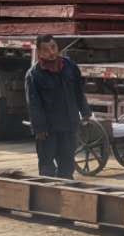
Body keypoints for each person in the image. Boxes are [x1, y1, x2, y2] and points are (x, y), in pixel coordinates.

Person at [25, 33, 92, 179]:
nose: (51, 52)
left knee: (67, 164)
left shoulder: (70, 67)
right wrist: (39, 129)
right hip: (48, 129)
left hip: (69, 125)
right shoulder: (34, 75)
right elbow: (34, 105)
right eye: (46, 50)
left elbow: (78, 92)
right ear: (39, 52)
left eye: (53, 47)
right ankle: (46, 190)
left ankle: (65, 185)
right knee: (47, 167)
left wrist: (85, 112)